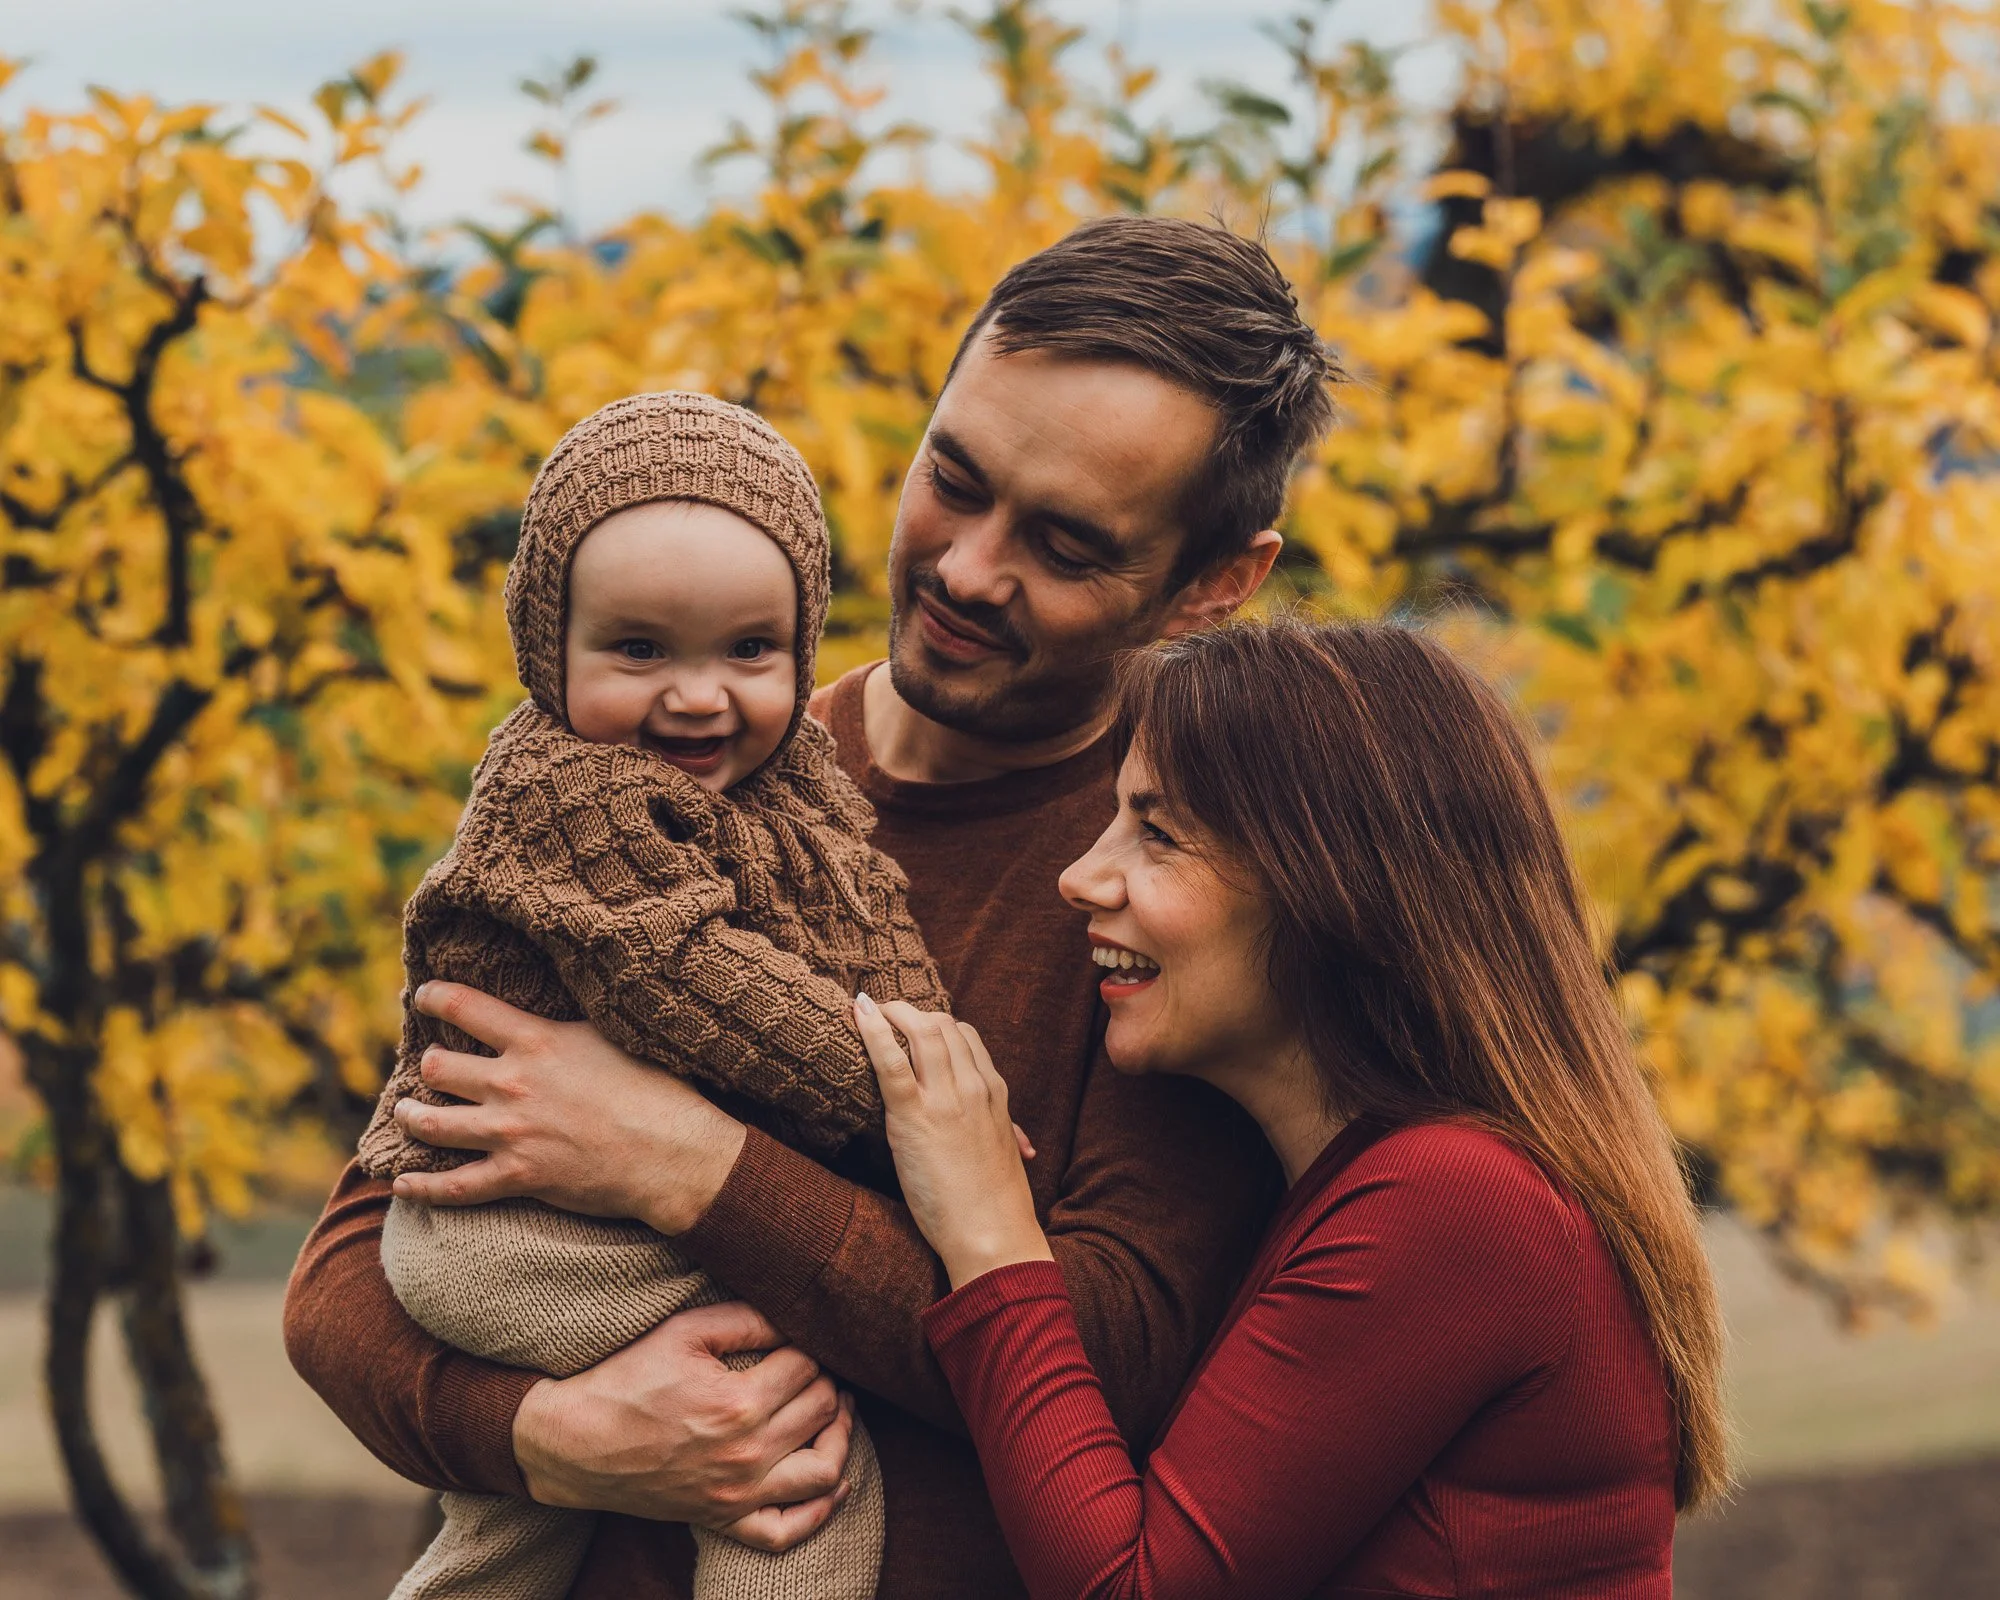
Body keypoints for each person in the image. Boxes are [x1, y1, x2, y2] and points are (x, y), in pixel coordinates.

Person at [283, 214, 1337, 1598]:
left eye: (1067, 546)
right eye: (952, 480)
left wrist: (685, 1164)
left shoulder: (1197, 884)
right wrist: (551, 1438)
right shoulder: (670, 762)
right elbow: (349, 1275)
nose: (966, 567)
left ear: (1215, 586)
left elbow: (1118, 1355)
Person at [850, 618, 1731, 1599]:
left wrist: (986, 1225)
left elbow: (1129, 1588)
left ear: (1332, 883)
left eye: (1157, 831)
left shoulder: (1459, 1203)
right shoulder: (1369, 1184)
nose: (1081, 875)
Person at [357, 392, 954, 1599]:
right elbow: (676, 976)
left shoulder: (795, 797)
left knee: (508, 1533)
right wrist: (903, 1097)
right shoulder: (565, 788)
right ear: (547, 647)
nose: (697, 697)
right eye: (638, 651)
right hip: (501, 1239)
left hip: (560, 1236)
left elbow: (868, 928)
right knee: (791, 1461)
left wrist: (947, 1083)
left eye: (748, 650)